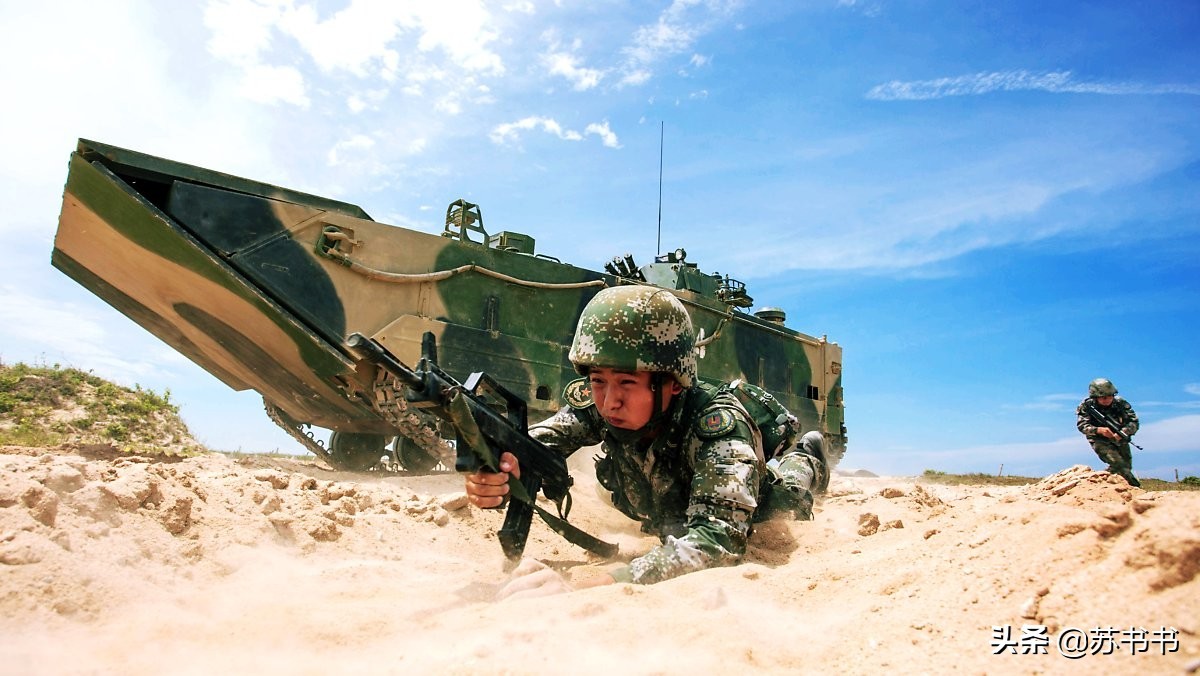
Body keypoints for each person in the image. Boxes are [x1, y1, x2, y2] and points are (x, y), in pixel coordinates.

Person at [465, 285, 827, 597]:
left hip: (751, 500)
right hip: (663, 508)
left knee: (789, 494)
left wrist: (600, 583)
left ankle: (807, 457)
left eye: (626, 382)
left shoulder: (719, 428)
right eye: (598, 380)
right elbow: (536, 444)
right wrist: (501, 470)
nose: (610, 401)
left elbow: (717, 540)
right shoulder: (604, 406)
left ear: (672, 382)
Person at [1075, 377, 1141, 487]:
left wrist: (1124, 431)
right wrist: (1099, 430)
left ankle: (1110, 484)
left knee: (1126, 467)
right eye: (1103, 397)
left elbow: (1134, 422)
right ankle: (1134, 486)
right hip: (1098, 439)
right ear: (1095, 397)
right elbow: (1082, 425)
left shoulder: (1120, 403)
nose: (1107, 400)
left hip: (1120, 437)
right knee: (1118, 464)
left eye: (1110, 396)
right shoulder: (1087, 406)